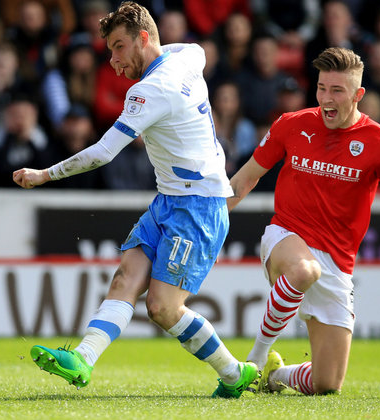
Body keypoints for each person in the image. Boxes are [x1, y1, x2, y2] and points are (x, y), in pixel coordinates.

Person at [13, 1, 257, 398]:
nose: (112, 60)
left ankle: (234, 372)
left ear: (144, 39)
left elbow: (102, 153)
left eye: (120, 47)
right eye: (110, 50)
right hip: (170, 199)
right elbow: (193, 50)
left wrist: (45, 174)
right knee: (125, 276)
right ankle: (84, 359)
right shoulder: (188, 56)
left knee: (162, 308)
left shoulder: (149, 91)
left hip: (199, 207)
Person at [226, 46, 380, 396]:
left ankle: (275, 376)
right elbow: (242, 182)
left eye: (336, 90)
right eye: (321, 88)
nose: (325, 99)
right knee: (304, 271)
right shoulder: (291, 124)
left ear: (358, 94)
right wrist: (203, 222)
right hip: (286, 237)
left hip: (337, 262)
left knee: (327, 384)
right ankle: (254, 361)